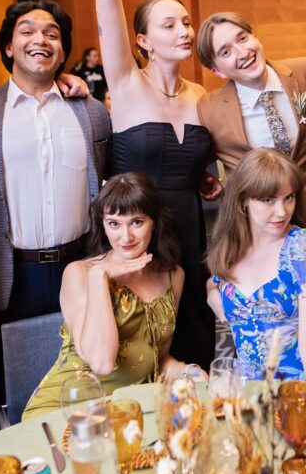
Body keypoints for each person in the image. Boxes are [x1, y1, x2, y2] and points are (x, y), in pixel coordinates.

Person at [27, 0, 220, 369]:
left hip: (192, 237)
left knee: (194, 343)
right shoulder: (126, 84)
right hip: (137, 233)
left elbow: (208, 162)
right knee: (142, 354)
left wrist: (209, 179)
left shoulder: (203, 94)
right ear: (141, 40)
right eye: (169, 23)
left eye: (186, 20)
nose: (184, 29)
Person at [0, 0, 111, 406]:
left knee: (88, 383)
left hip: (80, 264)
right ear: (9, 47)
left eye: (52, 33)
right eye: (27, 31)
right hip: (13, 274)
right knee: (24, 390)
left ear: (63, 51)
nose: (41, 39)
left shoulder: (90, 112)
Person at [23, 173, 199, 418]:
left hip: (130, 408)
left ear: (154, 221)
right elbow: (102, 362)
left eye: (137, 222)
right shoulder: (80, 273)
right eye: (114, 223)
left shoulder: (173, 275)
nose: (125, 237)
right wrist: (100, 277)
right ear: (103, 225)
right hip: (67, 408)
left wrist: (187, 371)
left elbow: (158, 357)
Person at [206, 148, 306, 381]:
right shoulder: (229, 248)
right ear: (243, 200)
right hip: (252, 393)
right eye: (268, 200)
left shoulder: (303, 245)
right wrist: (212, 293)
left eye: (289, 197)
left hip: (304, 382)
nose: (282, 211)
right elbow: (215, 280)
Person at [196, 12, 306, 224]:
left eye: (243, 38)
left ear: (256, 37)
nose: (243, 52)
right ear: (217, 70)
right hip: (256, 230)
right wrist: (202, 178)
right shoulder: (208, 109)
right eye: (226, 52)